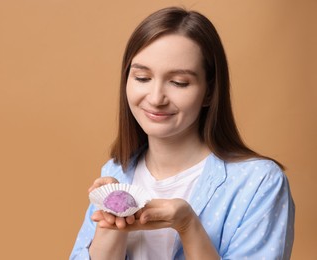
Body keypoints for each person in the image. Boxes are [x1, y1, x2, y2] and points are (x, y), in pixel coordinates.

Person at [70, 6, 295, 260]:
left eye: (179, 82)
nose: (155, 99)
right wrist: (111, 222)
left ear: (209, 92)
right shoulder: (115, 173)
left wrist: (188, 226)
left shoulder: (259, 183)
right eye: (142, 78)